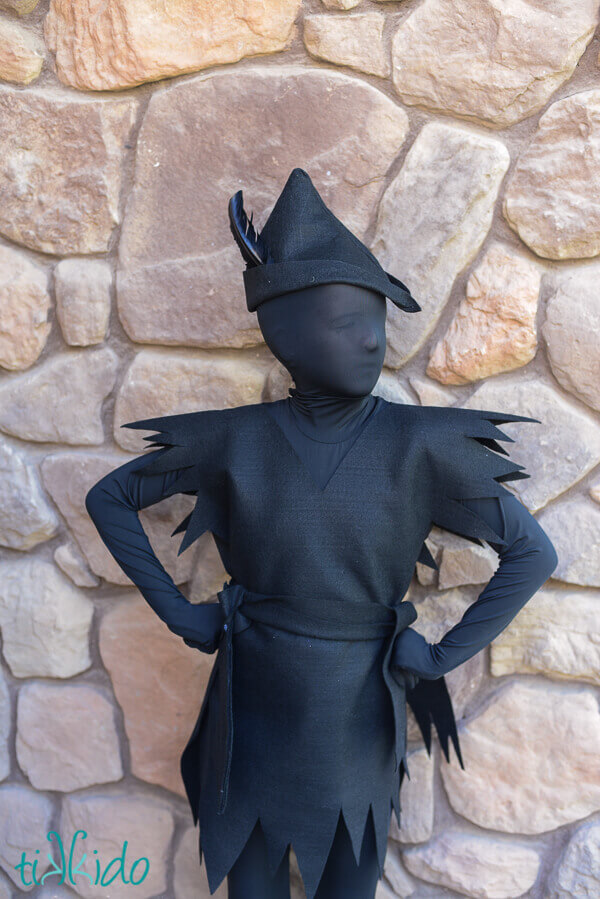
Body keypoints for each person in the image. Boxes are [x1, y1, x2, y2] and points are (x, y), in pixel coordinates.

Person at [85, 168, 558, 899]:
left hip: (360, 711)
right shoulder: (234, 440)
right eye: (346, 321)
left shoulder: (420, 445)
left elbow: (532, 552)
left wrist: (437, 655)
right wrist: (180, 613)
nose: (372, 339)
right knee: (255, 883)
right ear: (289, 334)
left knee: (349, 881)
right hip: (256, 707)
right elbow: (111, 497)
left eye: (377, 318)